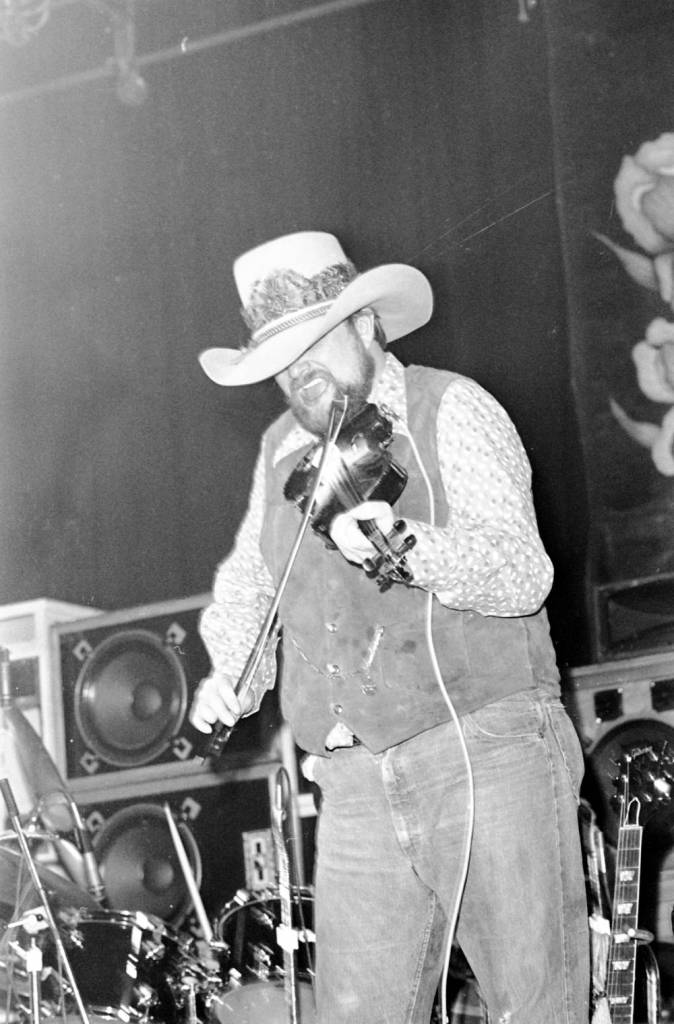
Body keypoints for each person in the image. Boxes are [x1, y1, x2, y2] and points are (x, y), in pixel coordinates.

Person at [189, 230, 591, 1024]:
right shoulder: (279, 453)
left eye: (313, 344)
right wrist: (229, 678)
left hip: (487, 748)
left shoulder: (453, 406)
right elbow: (248, 587)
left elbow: (525, 573)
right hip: (353, 779)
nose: (297, 373)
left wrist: (408, 546)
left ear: (369, 324)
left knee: (535, 1008)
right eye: (281, 362)